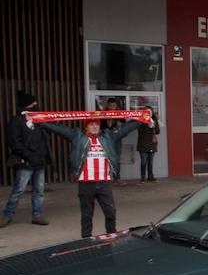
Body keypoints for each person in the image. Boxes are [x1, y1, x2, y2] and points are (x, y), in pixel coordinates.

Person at [41, 117, 142, 238]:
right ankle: (86, 239)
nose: (95, 126)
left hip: (104, 182)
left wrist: (141, 119)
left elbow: (125, 129)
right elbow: (59, 129)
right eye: (91, 124)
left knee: (110, 213)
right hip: (86, 183)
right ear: (86, 127)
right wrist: (40, 121)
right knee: (86, 215)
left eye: (96, 125)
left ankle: (111, 236)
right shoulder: (78, 137)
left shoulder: (108, 136)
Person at [1, 91, 51, 228]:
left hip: (40, 161)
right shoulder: (16, 121)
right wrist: (29, 155)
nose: (36, 106)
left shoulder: (39, 120)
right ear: (26, 106)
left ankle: (37, 215)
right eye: (33, 104)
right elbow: (15, 143)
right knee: (18, 190)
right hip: (26, 162)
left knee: (39, 190)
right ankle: (7, 215)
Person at [102, 98, 127, 187]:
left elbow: (125, 124)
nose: (112, 108)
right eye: (110, 106)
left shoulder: (120, 114)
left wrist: (120, 124)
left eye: (114, 106)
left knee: (116, 158)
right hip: (106, 139)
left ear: (116, 106)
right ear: (107, 106)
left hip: (117, 139)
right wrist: (107, 125)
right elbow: (100, 127)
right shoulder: (103, 114)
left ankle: (117, 178)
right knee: (105, 158)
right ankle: (105, 178)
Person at [136, 106, 160, 183]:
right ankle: (142, 178)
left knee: (150, 162)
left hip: (152, 144)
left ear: (152, 112)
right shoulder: (141, 120)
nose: (148, 113)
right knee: (143, 162)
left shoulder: (154, 120)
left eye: (150, 112)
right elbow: (139, 130)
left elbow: (158, 131)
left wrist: (153, 125)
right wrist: (146, 124)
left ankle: (150, 177)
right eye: (146, 112)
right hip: (142, 144)